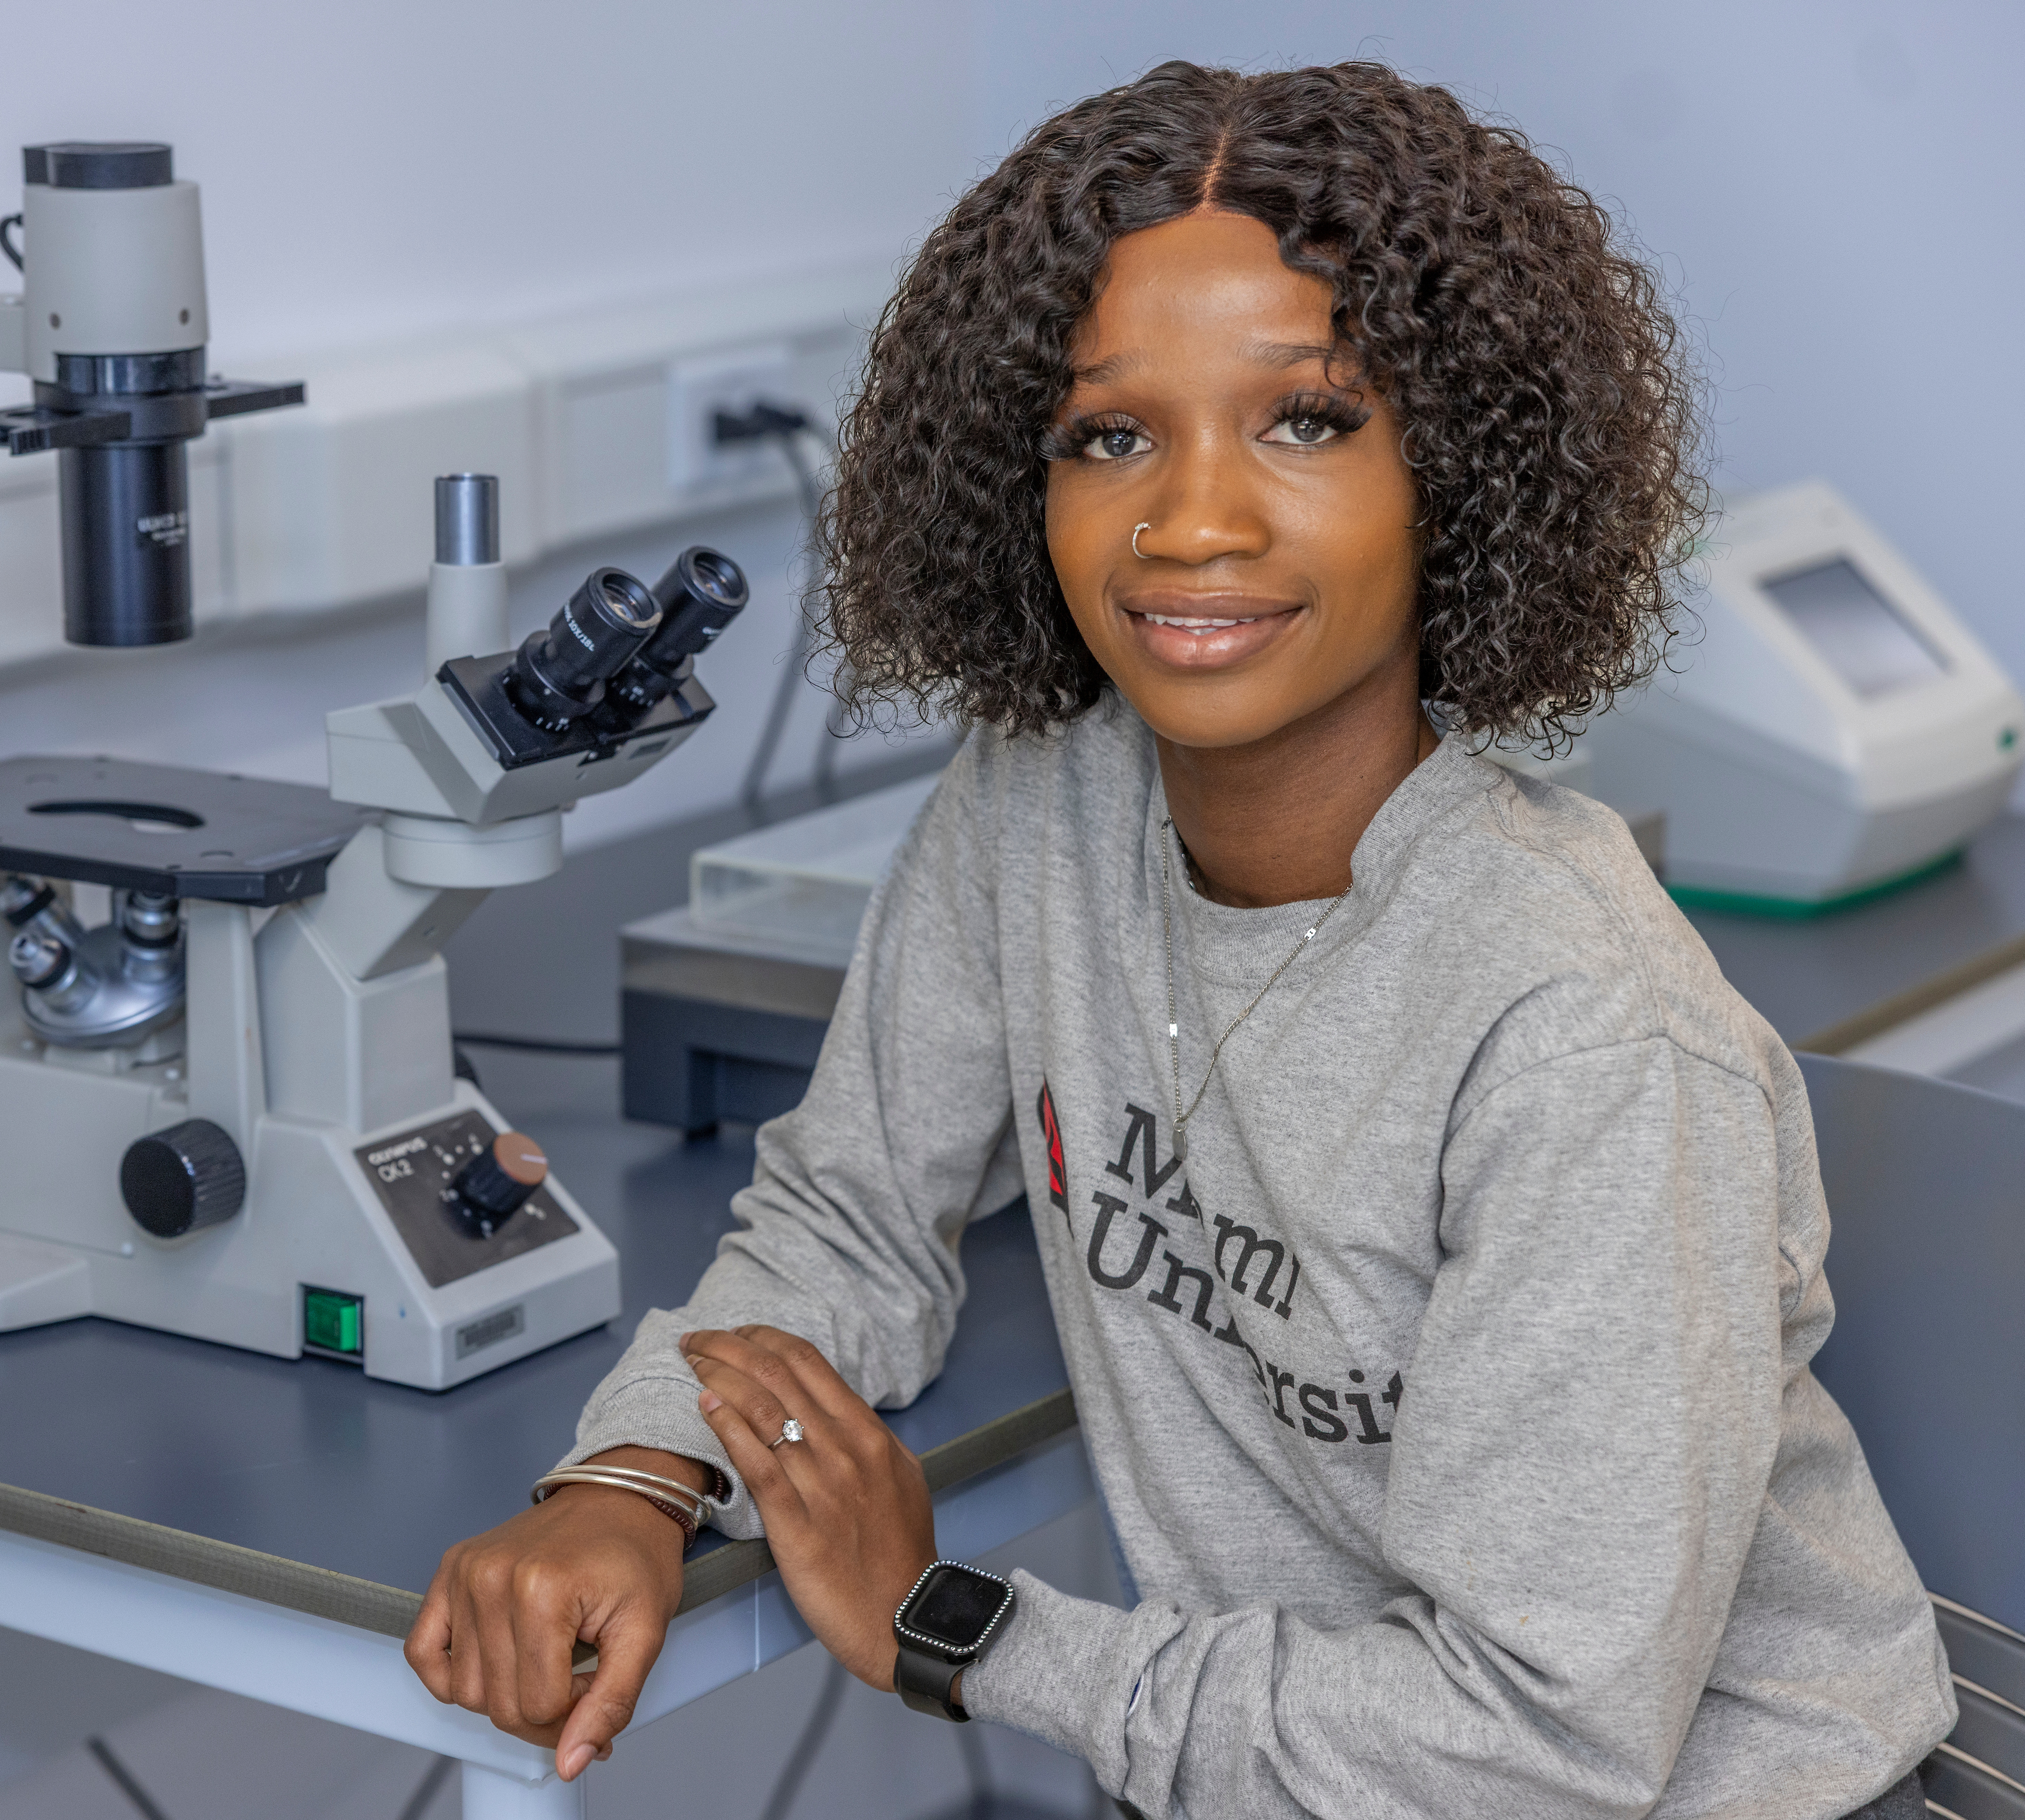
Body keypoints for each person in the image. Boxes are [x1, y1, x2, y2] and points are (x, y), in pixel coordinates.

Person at [405, 60, 1955, 1818]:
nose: (1192, 520)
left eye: (1308, 420)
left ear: (1456, 473)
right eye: (1110, 435)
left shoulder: (1581, 1031)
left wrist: (958, 1628)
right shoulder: (1043, 805)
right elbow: (851, 1219)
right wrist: (631, 1474)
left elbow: (1541, 1743)